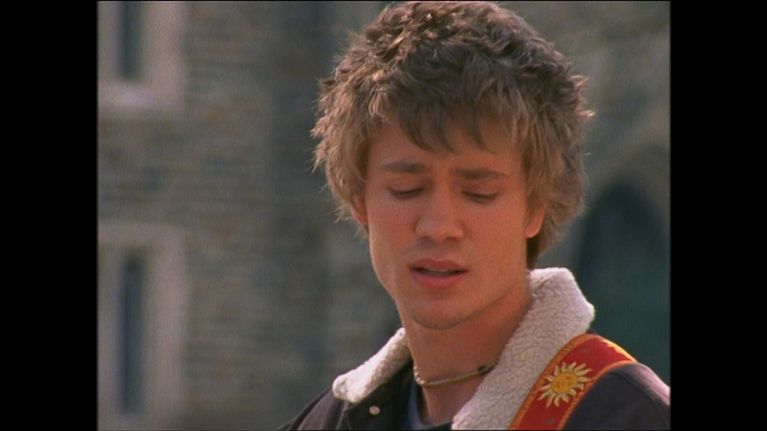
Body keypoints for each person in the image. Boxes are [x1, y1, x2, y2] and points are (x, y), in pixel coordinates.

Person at [282, 1, 670, 429]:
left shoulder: (628, 417)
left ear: (535, 206)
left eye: (478, 192)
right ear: (360, 198)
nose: (439, 227)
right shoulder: (328, 423)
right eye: (407, 188)